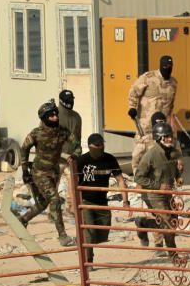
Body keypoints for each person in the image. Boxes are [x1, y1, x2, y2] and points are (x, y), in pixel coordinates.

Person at [18, 99, 82, 246]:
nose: (55, 117)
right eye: (51, 115)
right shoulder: (36, 133)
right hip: (39, 173)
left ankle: (23, 220)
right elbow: (24, 149)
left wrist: (76, 154)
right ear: (45, 118)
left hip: (53, 172)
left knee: (42, 203)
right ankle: (62, 235)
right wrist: (24, 170)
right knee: (54, 199)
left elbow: (76, 144)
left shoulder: (63, 131)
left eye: (56, 114)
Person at [75, 133, 130, 264]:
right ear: (89, 146)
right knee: (90, 232)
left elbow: (120, 180)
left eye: (102, 144)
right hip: (85, 201)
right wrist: (73, 202)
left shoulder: (110, 159)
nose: (100, 147)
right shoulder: (82, 160)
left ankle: (86, 243)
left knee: (103, 232)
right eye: (97, 145)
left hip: (102, 202)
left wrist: (126, 201)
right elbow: (74, 183)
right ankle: (88, 260)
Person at [133, 121, 182, 255]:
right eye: (166, 136)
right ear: (159, 138)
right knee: (167, 223)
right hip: (153, 194)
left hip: (168, 193)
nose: (170, 139)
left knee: (173, 221)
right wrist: (158, 186)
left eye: (170, 136)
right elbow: (138, 178)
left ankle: (143, 224)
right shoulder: (150, 156)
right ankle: (173, 254)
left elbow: (173, 167)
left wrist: (178, 177)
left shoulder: (171, 152)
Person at [128, 55, 177, 171]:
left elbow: (171, 106)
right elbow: (134, 91)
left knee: (161, 152)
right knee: (140, 152)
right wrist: (132, 107)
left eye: (170, 66)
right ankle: (139, 178)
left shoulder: (173, 83)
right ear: (160, 66)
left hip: (162, 126)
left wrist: (171, 123)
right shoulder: (148, 78)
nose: (167, 68)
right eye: (165, 66)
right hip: (145, 125)